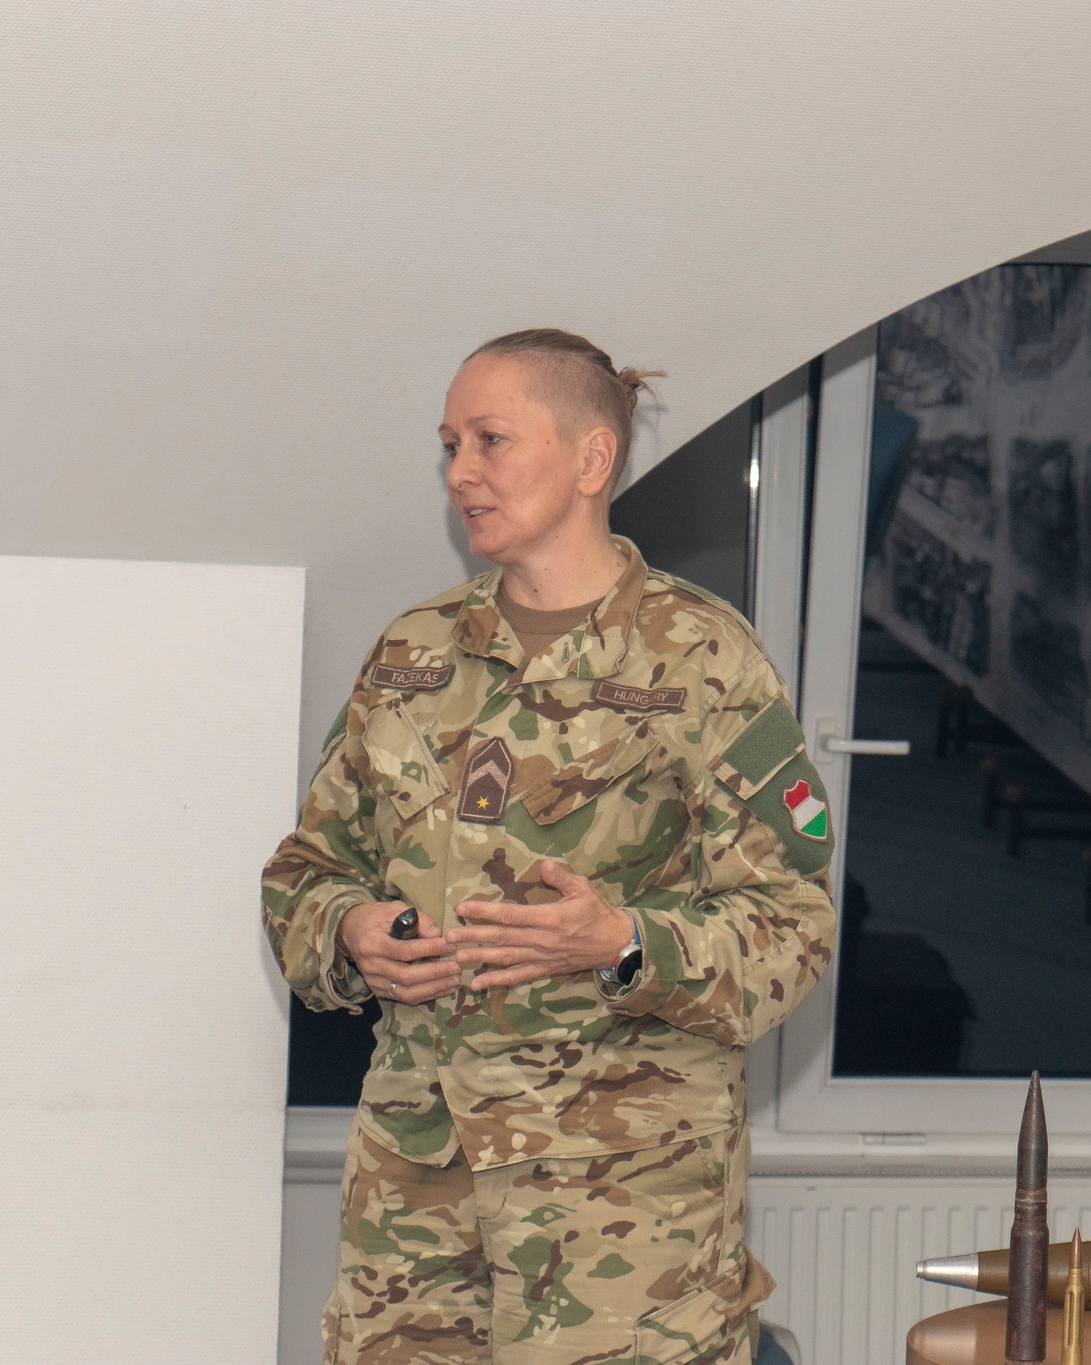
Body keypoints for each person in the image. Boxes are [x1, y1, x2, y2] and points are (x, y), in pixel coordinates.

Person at [263, 328, 837, 1365]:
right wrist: (350, 930)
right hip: (414, 1202)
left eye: (490, 440)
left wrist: (623, 941)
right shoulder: (411, 652)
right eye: (450, 446)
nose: (459, 472)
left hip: (621, 1219)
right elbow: (305, 872)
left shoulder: (704, 660)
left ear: (590, 459)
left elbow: (791, 929)